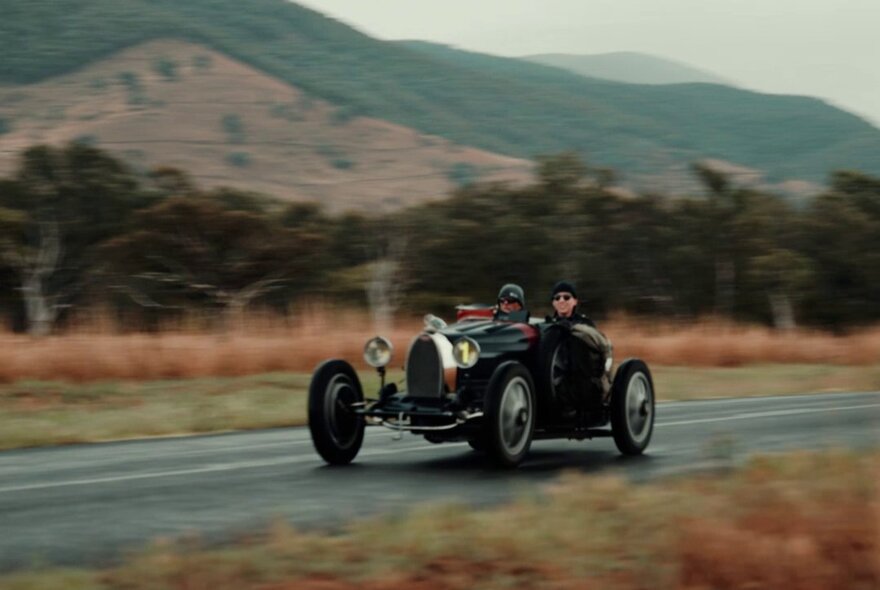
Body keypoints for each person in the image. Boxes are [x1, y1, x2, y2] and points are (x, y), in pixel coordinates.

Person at [546, 280, 612, 409]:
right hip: (553, 383)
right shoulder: (548, 326)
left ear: (575, 301)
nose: (561, 300)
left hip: (582, 384)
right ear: (553, 303)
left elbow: (601, 344)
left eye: (566, 297)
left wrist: (571, 329)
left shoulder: (585, 324)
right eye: (557, 297)